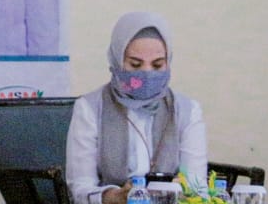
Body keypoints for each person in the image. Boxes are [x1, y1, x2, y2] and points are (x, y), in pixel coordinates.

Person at [65, 12, 207, 204]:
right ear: (117, 59)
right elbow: (79, 188)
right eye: (135, 64)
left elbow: (197, 186)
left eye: (157, 65)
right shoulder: (89, 108)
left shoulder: (187, 111)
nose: (147, 73)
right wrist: (112, 197)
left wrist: (179, 193)